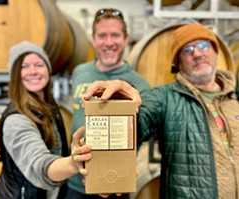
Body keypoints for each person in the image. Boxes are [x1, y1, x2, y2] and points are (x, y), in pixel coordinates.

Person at [82, 23, 239, 199]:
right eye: (187, 50)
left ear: (215, 51)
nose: (197, 53)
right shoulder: (165, 97)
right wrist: (120, 100)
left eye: (203, 45)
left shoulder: (235, 96)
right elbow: (141, 120)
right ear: (178, 62)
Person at [66, 8, 150, 199]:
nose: (109, 42)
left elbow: (144, 128)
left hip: (114, 183)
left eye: (115, 35)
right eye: (102, 35)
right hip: (76, 181)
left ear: (126, 38)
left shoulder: (138, 83)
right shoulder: (80, 72)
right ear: (93, 39)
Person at [0, 41, 92, 199]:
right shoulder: (16, 120)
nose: (33, 71)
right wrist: (73, 164)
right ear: (15, 75)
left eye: (39, 64)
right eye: (24, 66)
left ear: (48, 69)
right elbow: (39, 165)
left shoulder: (49, 107)